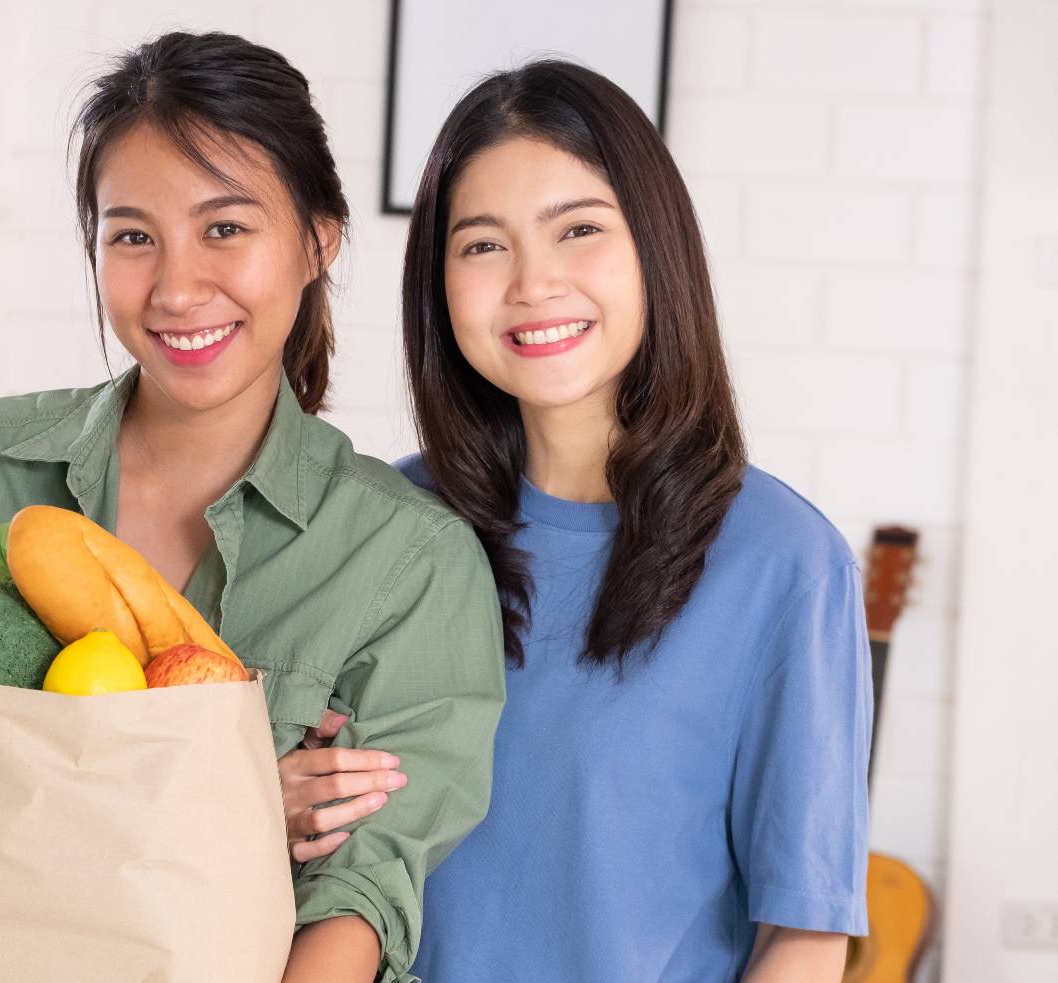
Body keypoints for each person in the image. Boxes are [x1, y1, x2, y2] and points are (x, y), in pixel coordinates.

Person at [0, 32, 506, 983]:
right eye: (133, 235)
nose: (178, 287)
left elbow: (364, 894)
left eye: (225, 227)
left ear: (319, 238)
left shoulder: (403, 561)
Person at [291, 60, 871, 981]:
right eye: (483, 245)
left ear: (657, 246)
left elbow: (802, 933)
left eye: (579, 230)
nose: (533, 283)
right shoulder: (386, 528)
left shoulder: (786, 562)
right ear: (436, 283)